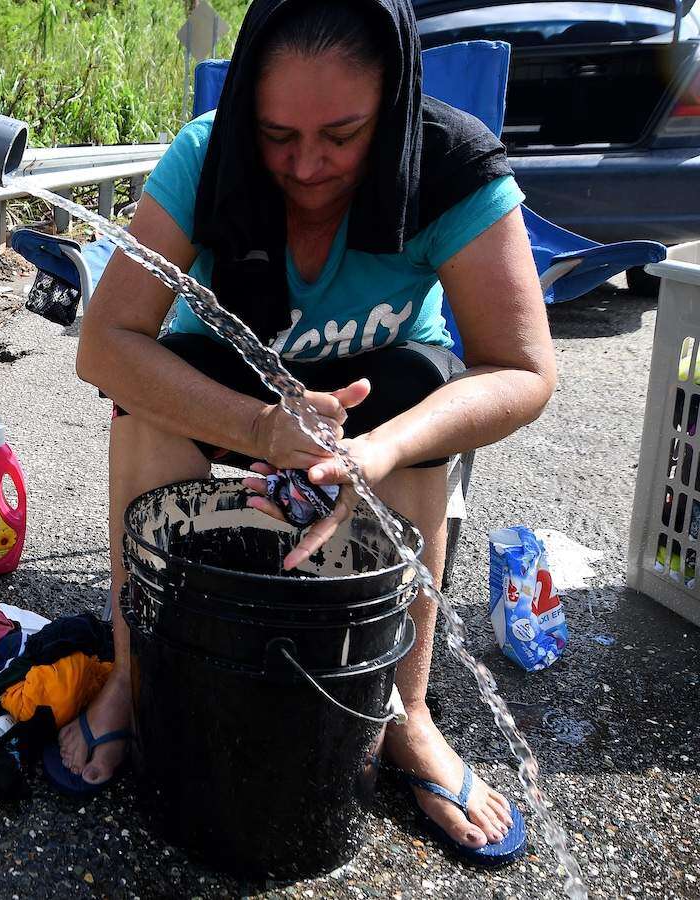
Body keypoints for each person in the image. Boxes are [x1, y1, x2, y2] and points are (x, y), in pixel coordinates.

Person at [61, 0, 555, 866]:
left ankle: (406, 713)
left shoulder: (452, 165)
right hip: (243, 393)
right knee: (144, 399)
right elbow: (106, 343)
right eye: (278, 135)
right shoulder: (207, 155)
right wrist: (258, 424)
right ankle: (136, 679)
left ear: (394, 106)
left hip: (381, 405)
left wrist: (384, 447)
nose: (307, 165)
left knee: (420, 394)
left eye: (343, 133)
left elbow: (522, 369)